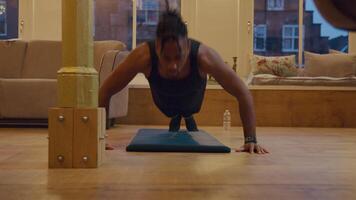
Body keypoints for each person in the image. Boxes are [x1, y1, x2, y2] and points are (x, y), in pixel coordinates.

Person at [99, 10, 268, 154]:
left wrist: (250, 139)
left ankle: (186, 115)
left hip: (192, 99)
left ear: (187, 46)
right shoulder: (142, 56)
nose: (173, 66)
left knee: (188, 108)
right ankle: (177, 116)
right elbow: (105, 90)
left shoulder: (205, 57)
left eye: (178, 57)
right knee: (172, 111)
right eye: (166, 58)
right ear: (157, 47)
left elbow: (242, 92)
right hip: (163, 102)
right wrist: (98, 137)